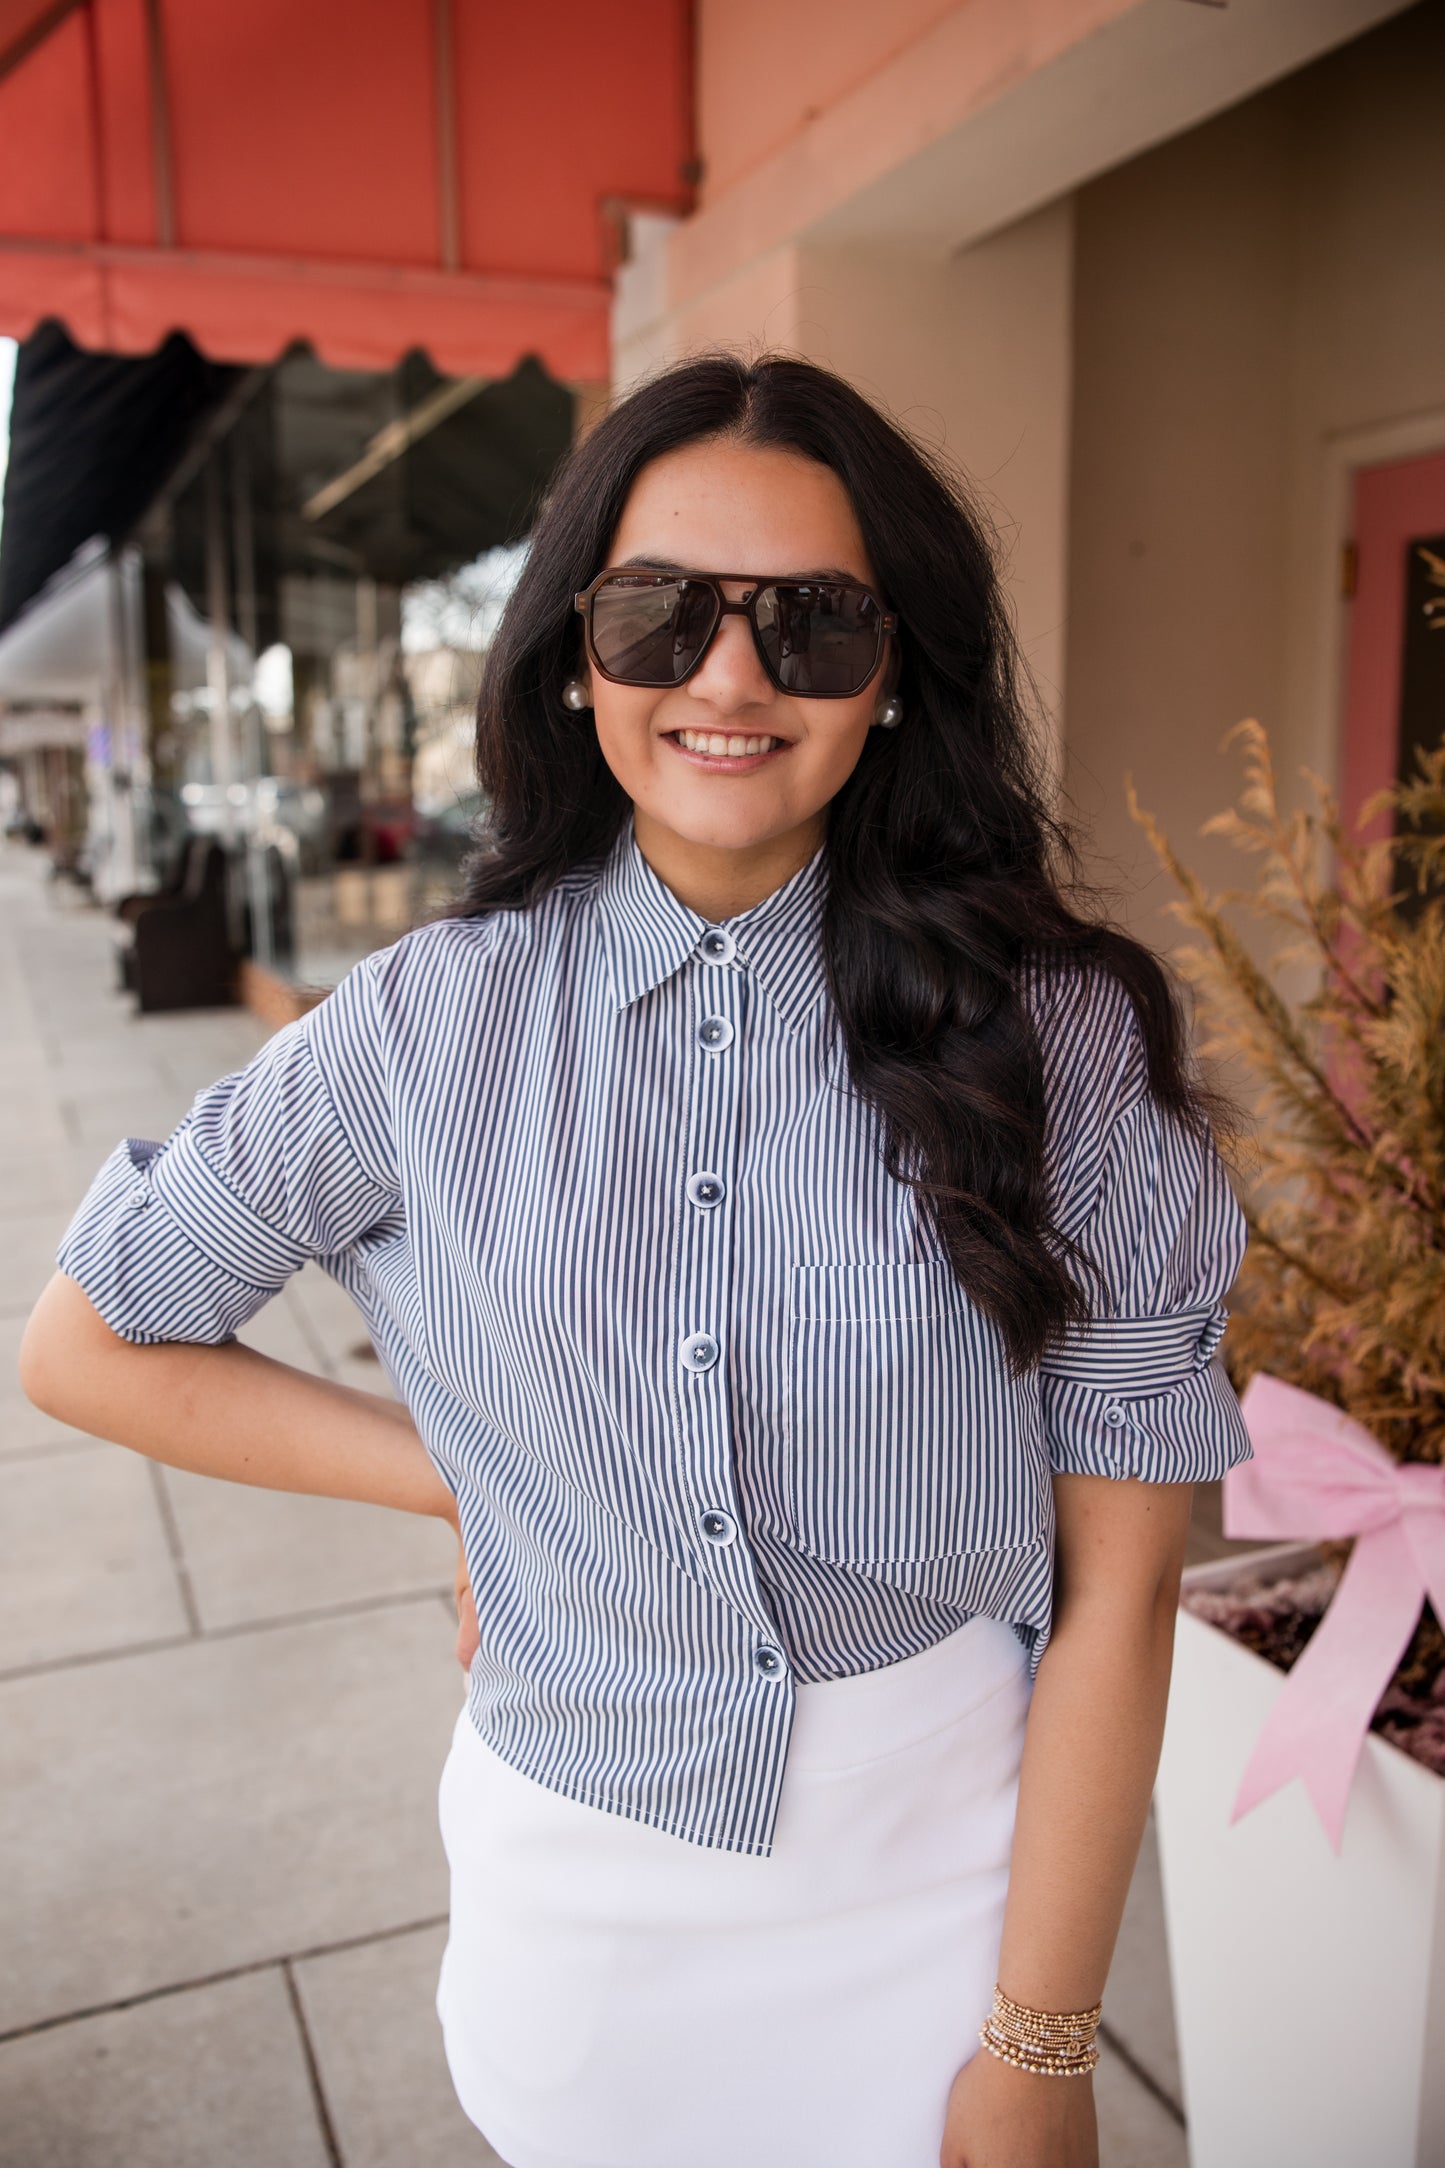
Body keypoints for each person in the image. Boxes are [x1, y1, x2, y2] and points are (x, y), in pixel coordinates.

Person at [21, 355, 1249, 2168]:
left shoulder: (1057, 1044)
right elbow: (86, 1341)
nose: (729, 678)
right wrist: (479, 1478)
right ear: (573, 657)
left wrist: (1044, 2042)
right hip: (578, 1904)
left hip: (943, 1882)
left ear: (896, 674)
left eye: (812, 623)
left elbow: (1120, 1593)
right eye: (660, 614)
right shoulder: (426, 1026)